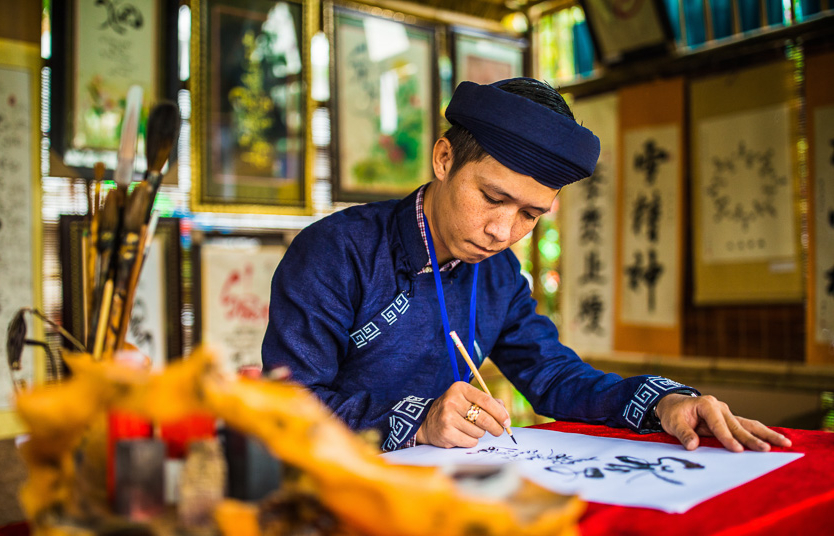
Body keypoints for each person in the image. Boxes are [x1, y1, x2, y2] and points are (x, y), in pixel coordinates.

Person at [262, 77, 791, 454]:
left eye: (530, 215)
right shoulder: (336, 252)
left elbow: (555, 377)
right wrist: (418, 421)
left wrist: (664, 402)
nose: (502, 231)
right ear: (444, 159)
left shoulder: (498, 274)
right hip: (333, 489)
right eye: (493, 198)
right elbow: (286, 407)